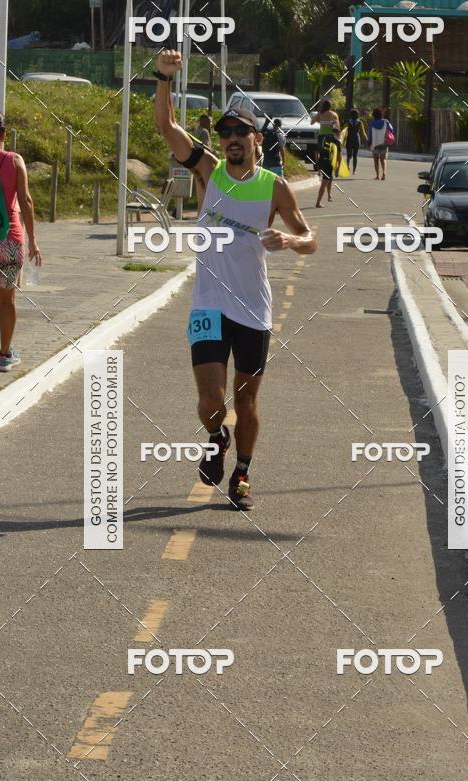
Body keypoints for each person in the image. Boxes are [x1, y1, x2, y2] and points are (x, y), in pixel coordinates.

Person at [154, 50, 316, 511]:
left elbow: (310, 239)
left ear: (256, 139)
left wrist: (289, 240)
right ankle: (214, 436)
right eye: (224, 133)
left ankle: (242, 472)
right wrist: (163, 77)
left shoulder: (274, 187)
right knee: (210, 400)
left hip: (253, 309)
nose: (230, 139)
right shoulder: (207, 171)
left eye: (239, 131)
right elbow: (168, 128)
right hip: (208, 305)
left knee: (245, 402)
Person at [0, 110, 41, 373]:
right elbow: (26, 202)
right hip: (9, 239)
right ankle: (4, 355)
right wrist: (33, 242)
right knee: (7, 300)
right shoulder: (14, 160)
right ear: (3, 134)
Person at [368, 108, 394, 181]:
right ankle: (384, 174)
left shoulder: (372, 123)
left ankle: (377, 176)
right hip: (384, 143)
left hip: (374, 143)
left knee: (376, 160)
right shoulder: (386, 122)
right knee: (383, 159)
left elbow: (370, 135)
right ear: (381, 114)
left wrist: (369, 143)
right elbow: (391, 130)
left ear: (373, 115)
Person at [315, 131, 339, 207]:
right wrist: (337, 169)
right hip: (328, 163)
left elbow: (316, 151)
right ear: (337, 133)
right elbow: (338, 157)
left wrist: (318, 163)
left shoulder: (323, 138)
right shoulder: (336, 141)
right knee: (324, 182)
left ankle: (329, 196)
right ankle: (318, 203)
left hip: (322, 161)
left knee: (330, 178)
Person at [344, 109, 367, 175]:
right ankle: (354, 170)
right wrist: (367, 140)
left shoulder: (348, 122)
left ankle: (347, 167)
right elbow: (363, 133)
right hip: (357, 139)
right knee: (355, 156)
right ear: (357, 115)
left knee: (348, 155)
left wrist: (342, 139)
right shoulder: (360, 123)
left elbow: (344, 131)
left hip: (349, 139)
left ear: (351, 115)